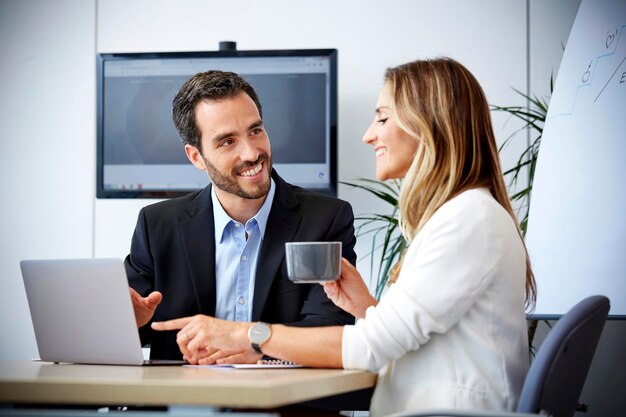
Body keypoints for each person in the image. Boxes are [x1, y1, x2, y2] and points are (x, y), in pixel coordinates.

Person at [152, 57, 537, 416]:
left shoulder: (465, 221)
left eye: (383, 118)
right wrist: (366, 307)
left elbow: (368, 349)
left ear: (429, 125)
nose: (369, 135)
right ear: (196, 156)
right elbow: (415, 337)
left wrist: (245, 335)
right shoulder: (464, 216)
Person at [126, 70, 357, 363]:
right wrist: (131, 322)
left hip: (285, 401)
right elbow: (137, 332)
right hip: (183, 402)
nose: (251, 153)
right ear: (196, 157)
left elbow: (329, 331)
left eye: (255, 131)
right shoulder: (157, 225)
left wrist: (255, 345)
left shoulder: (325, 219)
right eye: (227, 142)